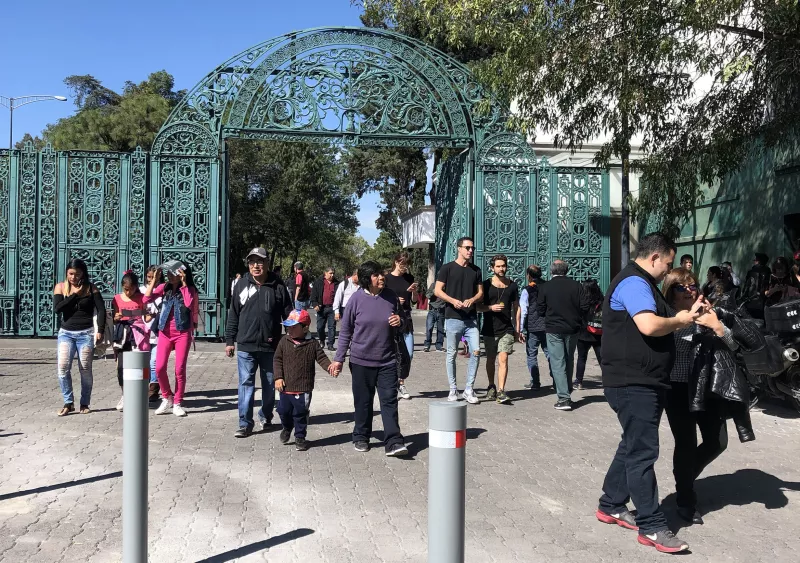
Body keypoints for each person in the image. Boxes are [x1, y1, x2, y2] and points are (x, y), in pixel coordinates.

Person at [596, 233, 700, 554]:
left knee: (632, 444)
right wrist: (680, 320)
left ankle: (611, 504)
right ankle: (652, 525)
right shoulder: (634, 283)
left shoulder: (643, 283)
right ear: (654, 257)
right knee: (643, 451)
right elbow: (649, 326)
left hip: (643, 381)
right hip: (633, 382)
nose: (669, 270)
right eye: (668, 263)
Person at [661, 267, 754, 526]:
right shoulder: (666, 315)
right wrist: (688, 320)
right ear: (671, 292)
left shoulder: (710, 311)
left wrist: (716, 326)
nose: (689, 290)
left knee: (717, 442)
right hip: (678, 388)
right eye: (682, 287)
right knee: (686, 443)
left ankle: (684, 477)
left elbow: (734, 345)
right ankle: (685, 499)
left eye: (692, 285)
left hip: (708, 388)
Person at [331, 261, 409, 456]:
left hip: (387, 360)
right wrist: (339, 359)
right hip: (361, 361)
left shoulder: (391, 296)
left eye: (382, 273)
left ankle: (393, 441)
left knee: (389, 401)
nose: (381, 277)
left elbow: (405, 321)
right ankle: (361, 436)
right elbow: (346, 332)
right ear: (367, 279)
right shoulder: (356, 300)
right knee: (363, 402)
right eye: (376, 275)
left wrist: (400, 321)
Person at [226, 248, 292, 438]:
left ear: (267, 264)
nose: (256, 265)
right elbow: (233, 314)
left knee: (270, 385)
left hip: (271, 346)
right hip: (245, 345)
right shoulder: (241, 285)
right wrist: (230, 340)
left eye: (260, 261)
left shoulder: (278, 285)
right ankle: (245, 423)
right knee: (245, 384)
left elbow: (288, 314)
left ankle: (266, 415)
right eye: (252, 262)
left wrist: (292, 339)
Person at [274, 309, 340, 451]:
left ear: (305, 328)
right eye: (288, 327)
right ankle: (287, 427)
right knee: (283, 411)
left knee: (300, 413)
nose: (289, 330)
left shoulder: (312, 343)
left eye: (293, 327)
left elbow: (321, 358)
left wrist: (330, 367)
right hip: (285, 387)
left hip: (303, 387)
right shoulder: (284, 341)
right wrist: (278, 377)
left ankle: (300, 436)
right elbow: (277, 360)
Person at [144, 261, 199, 418]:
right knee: (159, 367)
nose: (170, 275)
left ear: (181, 274)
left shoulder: (190, 289)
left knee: (179, 369)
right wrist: (154, 280)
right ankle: (167, 397)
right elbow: (146, 299)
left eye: (173, 273)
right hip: (165, 333)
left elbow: (188, 303)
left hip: (182, 333)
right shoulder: (164, 287)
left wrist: (184, 283)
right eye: (168, 272)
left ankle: (177, 402)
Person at [52, 258, 105, 416]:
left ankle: (84, 403)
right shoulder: (61, 287)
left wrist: (100, 330)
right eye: (70, 274)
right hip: (66, 333)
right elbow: (57, 309)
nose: (73, 277)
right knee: (63, 368)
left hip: (86, 333)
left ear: (83, 274)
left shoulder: (91, 288)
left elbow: (101, 309)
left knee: (85, 369)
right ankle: (68, 403)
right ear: (67, 273)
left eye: (77, 274)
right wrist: (75, 295)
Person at [434, 237, 483, 404]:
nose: (470, 251)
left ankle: (469, 389)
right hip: (453, 318)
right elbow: (437, 290)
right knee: (452, 353)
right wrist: (452, 301)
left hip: (471, 319)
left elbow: (480, 293)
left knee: (476, 351)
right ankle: (453, 388)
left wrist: (473, 299)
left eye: (472, 248)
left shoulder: (476, 270)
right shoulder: (447, 268)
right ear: (459, 248)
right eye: (467, 248)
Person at [536, 260, 588, 411]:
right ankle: (567, 388)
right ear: (566, 270)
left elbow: (540, 309)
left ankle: (564, 398)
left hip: (553, 328)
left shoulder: (545, 287)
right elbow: (585, 306)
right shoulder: (576, 286)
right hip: (572, 328)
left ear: (552, 271)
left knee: (558, 362)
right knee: (569, 359)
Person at [477, 254, 520, 404]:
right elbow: (478, 307)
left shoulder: (513, 286)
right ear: (492, 268)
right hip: (489, 328)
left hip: (506, 328)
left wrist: (517, 328)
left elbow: (517, 307)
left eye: (503, 266)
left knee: (503, 358)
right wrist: (490, 308)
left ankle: (501, 391)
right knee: (490, 359)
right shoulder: (486, 285)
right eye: (498, 266)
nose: (501, 269)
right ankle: (491, 386)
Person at [112, 270, 151, 411]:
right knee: (121, 368)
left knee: (139, 367)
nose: (128, 292)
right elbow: (114, 318)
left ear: (136, 287)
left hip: (138, 335)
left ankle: (139, 395)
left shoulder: (142, 298)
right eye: (125, 289)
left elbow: (146, 317)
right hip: (122, 336)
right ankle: (125, 395)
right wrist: (116, 318)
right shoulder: (117, 298)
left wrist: (150, 315)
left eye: (131, 289)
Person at [384, 251, 417, 400]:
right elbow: (382, 298)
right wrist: (396, 300)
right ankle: (394, 384)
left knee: (408, 353)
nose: (405, 267)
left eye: (407, 264)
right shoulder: (387, 279)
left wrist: (414, 292)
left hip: (406, 319)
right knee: (393, 354)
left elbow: (414, 301)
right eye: (403, 264)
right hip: (391, 319)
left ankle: (400, 382)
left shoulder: (409, 278)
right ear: (396, 262)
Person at [519, 265, 551, 390]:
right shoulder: (548, 287)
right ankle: (556, 379)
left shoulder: (527, 290)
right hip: (548, 325)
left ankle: (535, 382)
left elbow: (524, 310)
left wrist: (521, 328)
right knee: (550, 353)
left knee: (532, 354)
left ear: (529, 275)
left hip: (533, 326)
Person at [574, 279, 603, 391]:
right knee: (602, 358)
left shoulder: (581, 301)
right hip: (598, 333)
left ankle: (578, 381)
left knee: (581, 358)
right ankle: (608, 381)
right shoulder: (602, 301)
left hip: (583, 333)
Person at [140, 265, 163, 402]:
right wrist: (146, 313)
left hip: (158, 330)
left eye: (154, 277)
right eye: (149, 277)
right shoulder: (141, 290)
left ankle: (153, 389)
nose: (151, 279)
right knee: (145, 361)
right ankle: (145, 385)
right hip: (143, 331)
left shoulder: (163, 289)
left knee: (154, 361)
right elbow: (137, 308)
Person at [310, 267, 339, 351]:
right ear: (325, 273)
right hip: (321, 308)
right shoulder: (318, 282)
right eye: (330, 273)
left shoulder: (336, 283)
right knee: (320, 327)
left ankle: (330, 344)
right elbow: (313, 295)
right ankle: (322, 340)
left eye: (333, 273)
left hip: (332, 308)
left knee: (332, 327)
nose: (332, 275)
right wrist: (315, 304)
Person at [742, 252, 771, 319]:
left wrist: (744, 296)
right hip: (762, 300)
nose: (754, 261)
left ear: (758, 261)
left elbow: (747, 286)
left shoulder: (751, 271)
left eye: (755, 260)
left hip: (751, 300)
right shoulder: (768, 271)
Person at [423, 282, 445, 352]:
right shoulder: (434, 285)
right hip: (432, 310)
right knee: (429, 328)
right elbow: (427, 295)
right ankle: (427, 345)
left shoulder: (447, 286)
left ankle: (439, 345)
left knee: (441, 329)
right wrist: (434, 291)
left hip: (442, 311)